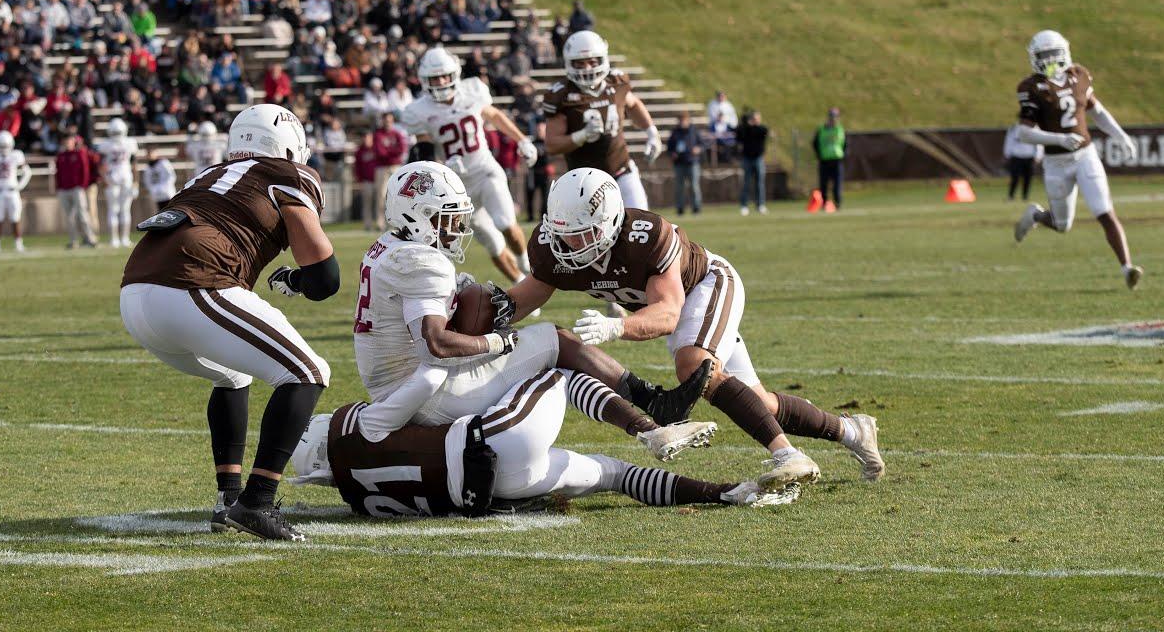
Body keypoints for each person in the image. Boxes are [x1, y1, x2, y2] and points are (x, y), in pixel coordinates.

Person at [507, 169, 886, 489]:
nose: (568, 244)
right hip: (684, 308)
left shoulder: (645, 236)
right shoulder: (554, 247)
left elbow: (670, 312)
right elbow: (525, 297)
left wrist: (616, 327)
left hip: (705, 285)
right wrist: (477, 318)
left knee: (694, 365)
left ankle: (789, 456)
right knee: (758, 402)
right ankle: (853, 431)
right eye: (562, 232)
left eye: (581, 233)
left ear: (608, 225)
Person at [352, 161, 716, 466]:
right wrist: (493, 342)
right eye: (446, 220)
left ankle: (650, 428)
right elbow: (434, 344)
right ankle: (652, 403)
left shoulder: (388, 247)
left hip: (401, 386)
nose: (455, 230)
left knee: (557, 365)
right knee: (553, 340)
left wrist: (469, 300)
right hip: (423, 391)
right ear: (419, 217)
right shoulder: (422, 260)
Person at [120, 104, 339, 541]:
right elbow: (325, 279)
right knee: (308, 372)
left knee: (233, 376)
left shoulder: (203, 176)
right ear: (289, 145)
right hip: (193, 284)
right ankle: (256, 503)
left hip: (134, 295)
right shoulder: (291, 175)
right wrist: (295, 280)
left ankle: (228, 499)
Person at [287, 371, 803, 518]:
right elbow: (424, 381)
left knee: (612, 475)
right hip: (494, 442)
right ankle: (651, 428)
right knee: (559, 371)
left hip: (495, 494)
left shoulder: (357, 500)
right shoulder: (353, 428)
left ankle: (727, 494)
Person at [1013, 30, 1143, 290]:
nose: (1049, 60)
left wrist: (1121, 135)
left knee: (1104, 211)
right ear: (1034, 58)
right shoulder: (1031, 87)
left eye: (1053, 54)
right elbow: (1023, 133)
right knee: (1062, 225)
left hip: (1085, 156)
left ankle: (1127, 267)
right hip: (1056, 164)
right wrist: (1059, 140)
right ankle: (1037, 216)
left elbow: (1098, 111)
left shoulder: (1079, 75)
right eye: (1044, 56)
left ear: (1065, 53)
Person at [401, 48, 538, 285]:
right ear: (425, 80)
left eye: (445, 75)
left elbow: (494, 116)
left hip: (485, 171)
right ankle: (520, 283)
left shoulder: (472, 90)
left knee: (505, 222)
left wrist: (522, 140)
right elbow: (424, 149)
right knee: (492, 244)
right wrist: (440, 167)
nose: (441, 82)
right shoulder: (419, 110)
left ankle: (525, 260)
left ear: (454, 73)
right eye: (435, 78)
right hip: (457, 186)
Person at [543, 31, 662, 216]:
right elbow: (551, 144)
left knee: (640, 223)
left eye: (592, 61)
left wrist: (651, 132)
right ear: (569, 63)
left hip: (622, 171)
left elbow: (633, 104)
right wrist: (580, 136)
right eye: (580, 63)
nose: (588, 67)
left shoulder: (616, 82)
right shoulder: (562, 95)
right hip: (583, 184)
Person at [98, 118, 139, 248]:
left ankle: (115, 239)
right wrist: (136, 182)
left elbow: (101, 165)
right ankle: (123, 239)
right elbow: (134, 164)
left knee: (113, 210)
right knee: (124, 210)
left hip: (112, 178)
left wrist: (104, 178)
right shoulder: (130, 143)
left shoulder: (105, 145)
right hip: (126, 177)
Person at [55, 133, 96, 249]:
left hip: (77, 189)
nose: (67, 143)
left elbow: (85, 170)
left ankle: (90, 238)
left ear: (74, 142)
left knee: (82, 214)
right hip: (64, 189)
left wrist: (82, 185)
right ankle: (73, 241)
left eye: (69, 140)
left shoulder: (79, 154)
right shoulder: (61, 156)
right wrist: (59, 187)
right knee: (69, 217)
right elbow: (58, 173)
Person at [668, 112, 704, 216]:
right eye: (680, 120)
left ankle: (696, 208)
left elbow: (702, 144)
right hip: (679, 163)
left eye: (684, 120)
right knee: (679, 187)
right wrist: (672, 153)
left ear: (688, 120)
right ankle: (680, 209)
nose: (682, 122)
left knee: (694, 186)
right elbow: (669, 147)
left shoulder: (694, 131)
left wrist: (698, 149)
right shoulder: (675, 132)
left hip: (692, 162)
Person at [812, 108, 846, 212]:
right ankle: (824, 204)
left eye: (835, 116)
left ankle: (838, 204)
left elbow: (845, 144)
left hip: (837, 160)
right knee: (823, 185)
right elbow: (815, 143)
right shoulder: (822, 129)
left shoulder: (840, 129)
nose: (833, 118)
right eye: (832, 116)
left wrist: (844, 154)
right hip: (825, 160)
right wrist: (819, 155)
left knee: (837, 185)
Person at [736, 111, 768, 216]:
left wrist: (751, 126)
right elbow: (739, 135)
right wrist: (746, 124)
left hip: (758, 159)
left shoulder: (761, 129)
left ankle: (760, 205)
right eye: (753, 118)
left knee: (760, 183)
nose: (755, 120)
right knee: (746, 183)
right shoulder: (745, 129)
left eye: (757, 118)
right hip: (747, 159)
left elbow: (761, 132)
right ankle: (744, 205)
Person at [1003, 123, 1042, 202]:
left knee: (1028, 178)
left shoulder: (1035, 128)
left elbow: (1039, 142)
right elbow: (1009, 141)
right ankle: (1011, 196)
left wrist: (1038, 156)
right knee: (1015, 177)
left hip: (1029, 157)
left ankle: (1025, 196)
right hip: (1016, 156)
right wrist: (1007, 154)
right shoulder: (1014, 128)